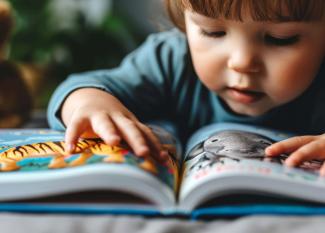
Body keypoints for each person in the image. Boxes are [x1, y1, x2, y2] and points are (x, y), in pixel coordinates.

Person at [47, 1, 325, 173]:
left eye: (280, 38)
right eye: (212, 32)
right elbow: (83, 87)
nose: (241, 62)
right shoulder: (170, 60)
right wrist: (90, 104)